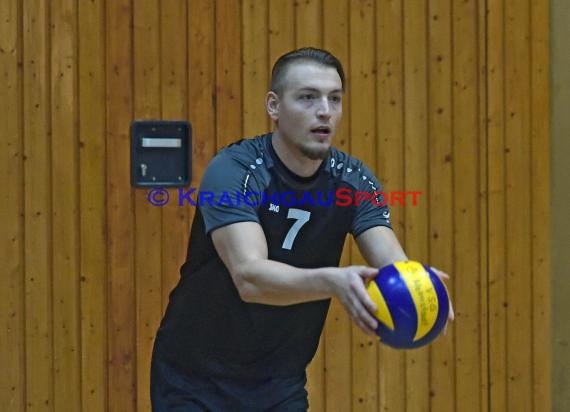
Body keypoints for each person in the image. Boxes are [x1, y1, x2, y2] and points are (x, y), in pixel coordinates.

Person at [151, 47, 453, 411]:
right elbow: (249, 278)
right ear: (274, 107)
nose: (325, 110)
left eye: (334, 99)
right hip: (194, 379)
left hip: (279, 381)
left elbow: (393, 263)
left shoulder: (353, 181)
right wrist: (332, 281)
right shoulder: (234, 171)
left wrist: (419, 286)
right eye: (308, 97)